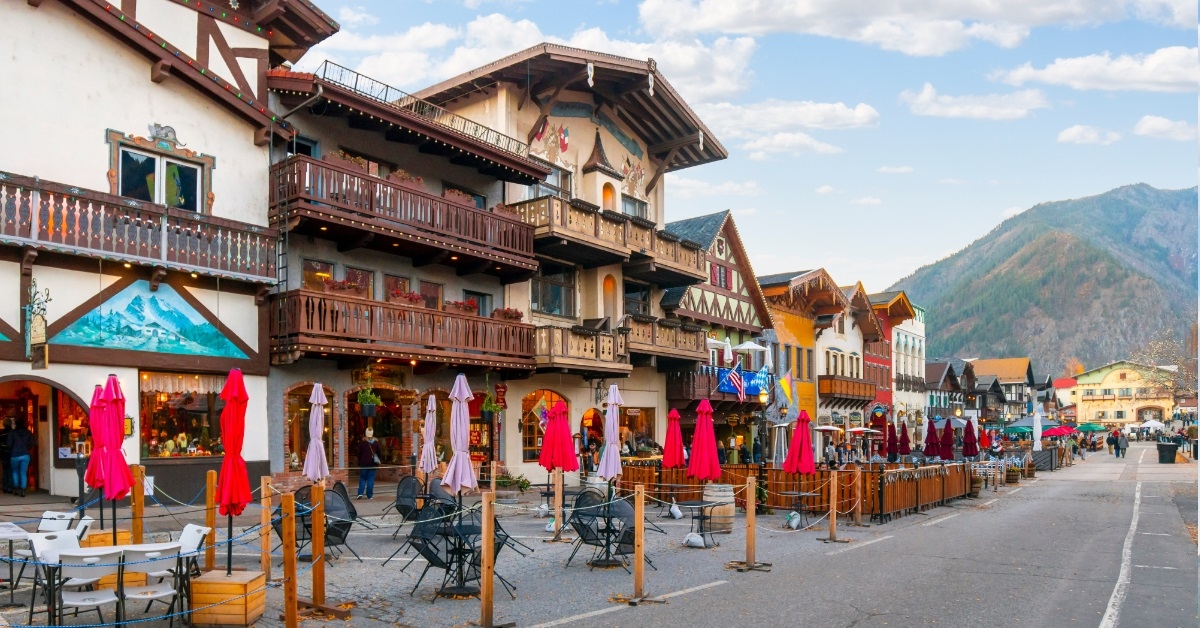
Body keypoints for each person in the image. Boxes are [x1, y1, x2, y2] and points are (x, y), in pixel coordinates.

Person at [7, 419, 34, 497]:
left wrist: (13, 448)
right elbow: (32, 442)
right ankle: (23, 491)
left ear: (16, 424)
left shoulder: (12, 433)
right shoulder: (28, 432)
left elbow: (9, 443)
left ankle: (15, 489)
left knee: (15, 471)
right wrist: (27, 447)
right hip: (25, 454)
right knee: (23, 473)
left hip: (14, 454)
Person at [356, 428, 381, 499]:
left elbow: (358, 453)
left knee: (362, 478)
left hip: (363, 464)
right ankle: (369, 495)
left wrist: (360, 460)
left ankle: (360, 493)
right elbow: (380, 453)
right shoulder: (376, 443)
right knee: (370, 479)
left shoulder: (362, 443)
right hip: (373, 464)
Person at [0, 417, 11, 495]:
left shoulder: (2, 433)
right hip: (11, 453)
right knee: (10, 470)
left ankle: (5, 487)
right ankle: (10, 487)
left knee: (5, 470)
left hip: (3, 453)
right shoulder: (13, 432)